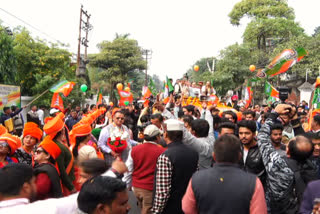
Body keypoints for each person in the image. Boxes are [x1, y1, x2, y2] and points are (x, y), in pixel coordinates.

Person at [182, 134, 267, 214]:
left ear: (214, 156)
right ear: (239, 156)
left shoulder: (197, 179)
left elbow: (187, 208)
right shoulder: (253, 182)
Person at [257, 104, 318, 213]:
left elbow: (262, 138)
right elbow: (304, 142)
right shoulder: (312, 168)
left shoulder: (278, 165)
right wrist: (294, 118)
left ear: (288, 150)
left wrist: (273, 114)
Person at [151, 119, 198, 214]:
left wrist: (156, 211)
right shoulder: (193, 153)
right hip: (188, 205)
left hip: (171, 207)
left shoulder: (165, 156)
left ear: (165, 134)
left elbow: (163, 191)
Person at [124, 125, 165, 214]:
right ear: (157, 137)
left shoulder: (135, 149)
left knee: (142, 207)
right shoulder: (161, 151)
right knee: (147, 210)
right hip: (149, 187)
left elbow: (128, 169)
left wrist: (128, 185)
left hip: (136, 186)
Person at [43, 113, 76, 195]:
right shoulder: (58, 146)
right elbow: (61, 170)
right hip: (65, 185)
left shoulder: (59, 143)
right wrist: (71, 187)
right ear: (62, 130)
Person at [238, 120, 266, 187]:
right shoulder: (235, 148)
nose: (243, 136)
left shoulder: (262, 149)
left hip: (256, 188)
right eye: (241, 133)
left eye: (247, 133)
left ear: (254, 134)